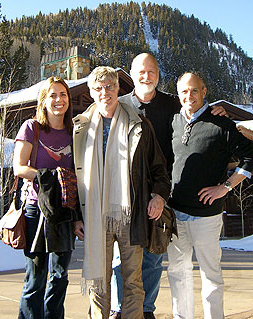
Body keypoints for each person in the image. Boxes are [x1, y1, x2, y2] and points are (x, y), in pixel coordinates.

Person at [111, 53, 227, 319]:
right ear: (131, 73)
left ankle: (147, 309)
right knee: (122, 257)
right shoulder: (120, 105)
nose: (146, 76)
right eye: (141, 71)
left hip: (161, 194)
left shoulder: (172, 105)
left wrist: (215, 110)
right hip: (126, 194)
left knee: (153, 255)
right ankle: (120, 308)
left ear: (158, 74)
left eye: (152, 71)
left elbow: (194, 111)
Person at [72, 66, 170, 319]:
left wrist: (158, 196)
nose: (105, 92)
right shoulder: (81, 128)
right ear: (92, 92)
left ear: (118, 88)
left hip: (130, 213)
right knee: (98, 281)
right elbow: (75, 177)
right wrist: (76, 217)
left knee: (133, 280)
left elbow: (159, 167)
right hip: (95, 215)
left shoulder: (139, 124)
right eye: (99, 88)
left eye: (110, 86)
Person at [167, 72, 253, 319]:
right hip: (174, 213)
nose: (189, 96)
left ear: (204, 91)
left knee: (211, 276)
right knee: (178, 273)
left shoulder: (222, 125)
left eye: (194, 90)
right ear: (178, 94)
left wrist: (225, 187)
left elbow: (250, 158)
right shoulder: (173, 121)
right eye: (184, 91)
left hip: (206, 217)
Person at [13, 76, 79, 319]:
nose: (58, 100)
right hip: (36, 210)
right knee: (36, 279)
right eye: (52, 95)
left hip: (64, 212)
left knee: (60, 276)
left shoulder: (74, 131)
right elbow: (19, 167)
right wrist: (50, 177)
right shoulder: (32, 128)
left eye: (63, 94)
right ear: (43, 101)